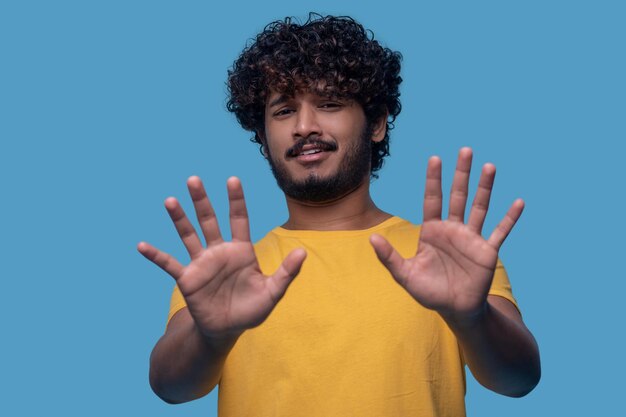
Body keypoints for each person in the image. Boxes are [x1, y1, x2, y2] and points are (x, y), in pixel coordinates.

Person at [138, 14, 540, 417]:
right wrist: (210, 335)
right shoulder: (226, 273)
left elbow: (518, 380)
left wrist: (472, 317)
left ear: (377, 123)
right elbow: (170, 388)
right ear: (262, 136)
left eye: (329, 103)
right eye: (283, 111)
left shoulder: (449, 258)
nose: (304, 126)